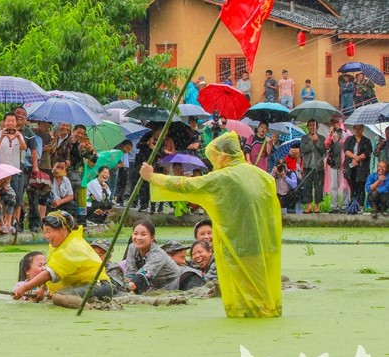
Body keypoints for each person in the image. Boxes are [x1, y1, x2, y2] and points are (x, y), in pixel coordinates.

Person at [140, 131, 282, 318]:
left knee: (245, 298)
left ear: (223, 155)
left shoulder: (225, 178)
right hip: (266, 246)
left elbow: (187, 185)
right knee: (261, 292)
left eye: (215, 158)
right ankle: (266, 317)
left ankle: (248, 319)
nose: (214, 164)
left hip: (239, 247)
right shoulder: (263, 176)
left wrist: (153, 177)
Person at [11, 210, 112, 304]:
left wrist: (25, 287)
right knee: (56, 296)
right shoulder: (56, 245)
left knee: (58, 297)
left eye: (49, 231)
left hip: (98, 286)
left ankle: (88, 309)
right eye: (44, 232)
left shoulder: (73, 246)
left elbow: (49, 273)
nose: (46, 236)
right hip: (79, 285)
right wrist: (42, 288)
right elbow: (51, 267)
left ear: (63, 229)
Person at [122, 220, 180, 293]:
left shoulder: (158, 254)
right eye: (135, 234)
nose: (138, 238)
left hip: (175, 285)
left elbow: (145, 273)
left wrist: (124, 289)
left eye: (143, 234)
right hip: (154, 287)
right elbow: (130, 273)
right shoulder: (132, 247)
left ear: (152, 237)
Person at [0, 112, 27, 228]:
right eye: (8, 121)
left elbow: (24, 148)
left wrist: (17, 137)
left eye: (13, 121)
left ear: (16, 123)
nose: (10, 123)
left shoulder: (19, 134)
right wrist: (2, 137)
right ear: (4, 122)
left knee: (12, 197)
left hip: (13, 170)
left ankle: (9, 223)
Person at [344, 124, 372, 213]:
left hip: (362, 167)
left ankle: (360, 206)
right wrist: (354, 157)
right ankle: (353, 205)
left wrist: (358, 159)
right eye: (356, 128)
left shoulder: (367, 141)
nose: (357, 130)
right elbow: (346, 151)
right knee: (353, 187)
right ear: (353, 129)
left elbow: (367, 152)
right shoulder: (349, 139)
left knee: (361, 187)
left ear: (363, 129)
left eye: (360, 128)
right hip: (351, 166)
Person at [299, 120, 326, 213]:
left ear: (317, 127)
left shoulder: (321, 138)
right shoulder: (304, 138)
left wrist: (317, 141)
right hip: (307, 166)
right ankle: (309, 205)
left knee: (318, 187)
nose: (312, 127)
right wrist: (312, 142)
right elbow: (303, 149)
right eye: (310, 125)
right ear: (307, 127)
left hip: (318, 167)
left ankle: (317, 206)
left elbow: (324, 150)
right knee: (307, 186)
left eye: (314, 125)